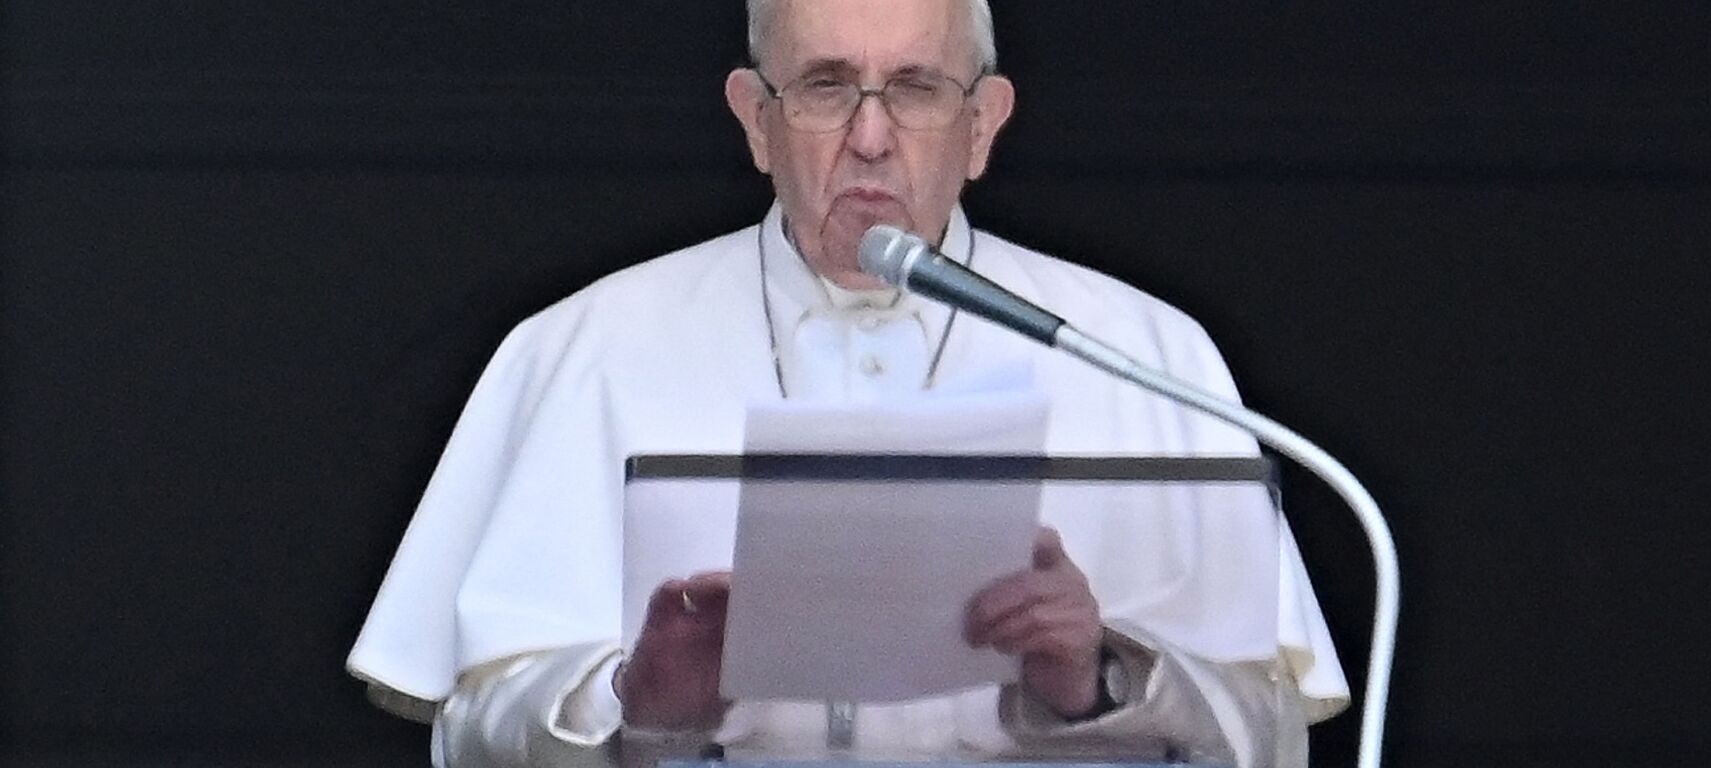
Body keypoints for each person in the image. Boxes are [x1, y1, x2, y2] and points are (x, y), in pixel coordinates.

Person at [347, 1, 1349, 767]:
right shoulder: (584, 347)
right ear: (755, 121)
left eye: (916, 88)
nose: (871, 138)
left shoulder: (1144, 353)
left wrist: (1099, 681)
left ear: (984, 124)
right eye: (826, 86)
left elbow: (1267, 737)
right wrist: (632, 699)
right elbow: (466, 736)